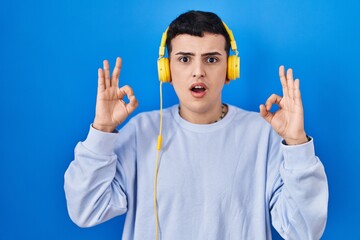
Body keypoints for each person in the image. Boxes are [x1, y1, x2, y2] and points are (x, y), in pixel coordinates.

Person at [64, 10, 328, 240]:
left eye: (211, 59)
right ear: (166, 71)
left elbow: (303, 232)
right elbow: (86, 210)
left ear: (230, 69)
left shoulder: (262, 135)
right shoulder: (141, 131)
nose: (198, 71)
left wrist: (296, 143)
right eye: (184, 59)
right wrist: (101, 131)